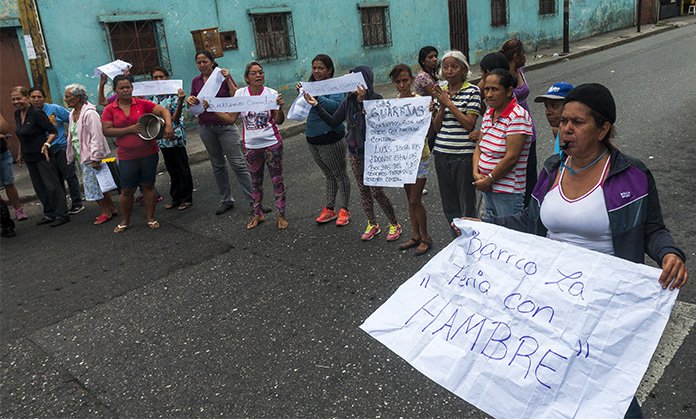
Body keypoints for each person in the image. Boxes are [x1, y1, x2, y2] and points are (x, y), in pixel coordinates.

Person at [455, 84, 688, 418]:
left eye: (577, 122)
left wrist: (670, 253)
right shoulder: (552, 169)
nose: (565, 128)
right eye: (564, 120)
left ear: (603, 129)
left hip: (605, 302)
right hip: (551, 299)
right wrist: (482, 226)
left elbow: (653, 228)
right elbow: (530, 220)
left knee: (607, 387)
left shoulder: (632, 175)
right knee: (547, 378)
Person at [305, 65, 402, 242]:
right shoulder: (348, 100)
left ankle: (394, 223)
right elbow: (334, 120)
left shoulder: (376, 99)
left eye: (353, 79)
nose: (349, 84)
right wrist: (316, 105)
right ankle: (372, 224)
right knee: (363, 191)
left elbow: (384, 128)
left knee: (376, 191)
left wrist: (366, 105)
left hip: (374, 154)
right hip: (355, 152)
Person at [219, 61, 288, 230]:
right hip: (250, 146)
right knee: (255, 182)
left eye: (261, 72)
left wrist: (279, 107)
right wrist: (213, 110)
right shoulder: (241, 94)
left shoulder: (271, 93)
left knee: (277, 180)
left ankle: (281, 215)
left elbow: (279, 120)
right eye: (254, 73)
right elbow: (230, 119)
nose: (258, 75)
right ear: (246, 78)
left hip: (272, 144)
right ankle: (258, 214)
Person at [102, 74, 174, 233]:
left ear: (132, 88)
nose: (125, 90)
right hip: (127, 156)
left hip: (149, 152)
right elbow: (106, 130)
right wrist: (130, 129)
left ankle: (150, 218)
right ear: (115, 90)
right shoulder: (110, 109)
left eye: (128, 87)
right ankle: (125, 221)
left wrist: (168, 125)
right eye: (122, 88)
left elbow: (163, 111)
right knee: (127, 190)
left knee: (149, 186)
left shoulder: (141, 103)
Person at [186, 50, 254, 216]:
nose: (202, 65)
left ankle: (254, 200)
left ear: (212, 62)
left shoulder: (221, 76)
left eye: (205, 62)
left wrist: (228, 78)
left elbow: (234, 95)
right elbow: (193, 101)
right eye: (199, 62)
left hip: (225, 127)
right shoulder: (196, 81)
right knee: (217, 165)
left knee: (238, 163)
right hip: (206, 127)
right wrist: (190, 99)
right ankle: (226, 200)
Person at [430, 50, 482, 229]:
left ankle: (471, 239)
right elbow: (437, 127)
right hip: (441, 153)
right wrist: (442, 106)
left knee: (466, 201)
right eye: (445, 67)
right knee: (449, 202)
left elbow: (469, 124)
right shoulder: (441, 92)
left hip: (463, 155)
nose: (449, 71)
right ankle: (456, 237)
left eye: (454, 66)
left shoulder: (473, 91)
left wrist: (449, 104)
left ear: (463, 70)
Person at [297, 54, 351, 226]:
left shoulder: (335, 86)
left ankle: (344, 209)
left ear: (329, 70)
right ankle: (330, 208)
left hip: (331, 138)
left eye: (321, 68)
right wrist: (302, 92)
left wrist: (316, 98)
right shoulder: (311, 86)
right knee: (329, 175)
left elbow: (336, 108)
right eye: (314, 68)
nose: (317, 71)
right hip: (312, 138)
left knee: (339, 174)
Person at [473, 68, 533, 218]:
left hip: (507, 193)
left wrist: (490, 179)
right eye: (486, 89)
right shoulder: (489, 113)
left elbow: (512, 157)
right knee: (490, 234)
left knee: (508, 236)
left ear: (508, 91)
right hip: (486, 186)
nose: (488, 94)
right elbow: (480, 146)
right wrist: (476, 173)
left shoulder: (518, 116)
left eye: (495, 89)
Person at [11, 86, 70, 226]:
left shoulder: (37, 113)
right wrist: (19, 154)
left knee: (52, 185)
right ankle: (49, 213)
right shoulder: (17, 114)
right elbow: (21, 135)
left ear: (26, 98)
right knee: (40, 187)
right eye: (13, 99)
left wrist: (47, 145)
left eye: (18, 98)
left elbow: (53, 131)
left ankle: (62, 214)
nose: (16, 101)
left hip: (43, 155)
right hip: (29, 157)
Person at [389, 64, 433, 255]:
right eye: (398, 81)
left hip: (420, 156)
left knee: (415, 199)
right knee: (409, 199)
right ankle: (415, 235)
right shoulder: (392, 105)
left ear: (412, 80)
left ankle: (425, 237)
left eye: (405, 80)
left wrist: (431, 111)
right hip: (403, 157)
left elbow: (430, 129)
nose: (402, 85)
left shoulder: (420, 101)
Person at [64, 83, 118, 225]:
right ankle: (111, 208)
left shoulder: (90, 114)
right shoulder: (72, 114)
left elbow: (96, 136)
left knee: (91, 186)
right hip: (80, 155)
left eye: (68, 96)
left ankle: (105, 212)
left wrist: (95, 157)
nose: (65, 99)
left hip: (90, 157)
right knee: (99, 184)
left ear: (77, 98)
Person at [29, 87, 84, 214]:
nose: (36, 100)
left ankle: (77, 202)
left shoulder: (54, 109)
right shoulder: (31, 113)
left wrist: (71, 137)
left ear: (44, 98)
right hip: (46, 151)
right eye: (33, 97)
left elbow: (71, 119)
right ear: (29, 99)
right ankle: (62, 204)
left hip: (61, 146)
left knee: (69, 175)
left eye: (39, 97)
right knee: (56, 179)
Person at [147, 66, 194, 211]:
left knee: (181, 167)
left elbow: (175, 117)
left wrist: (180, 101)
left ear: (167, 78)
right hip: (161, 137)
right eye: (155, 77)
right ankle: (175, 197)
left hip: (175, 134)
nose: (159, 80)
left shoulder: (174, 94)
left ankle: (186, 198)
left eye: (162, 76)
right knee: (171, 168)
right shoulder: (151, 96)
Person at [500, 39, 538, 207]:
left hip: (527, 126)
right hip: (510, 127)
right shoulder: (501, 75)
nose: (526, 57)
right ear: (516, 56)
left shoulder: (520, 70)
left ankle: (530, 210)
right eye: (523, 54)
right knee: (514, 170)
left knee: (530, 172)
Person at [533, 82, 574, 157]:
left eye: (554, 106)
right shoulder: (557, 131)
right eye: (546, 106)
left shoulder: (579, 140)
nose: (548, 112)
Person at [0, 112, 27, 221]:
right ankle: (3, 215)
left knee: (9, 183)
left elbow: (5, 129)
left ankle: (18, 210)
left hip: (3, 154)